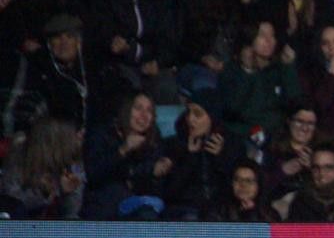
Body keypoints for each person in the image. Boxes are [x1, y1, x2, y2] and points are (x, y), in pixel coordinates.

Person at [81, 91, 170, 219]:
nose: (144, 115)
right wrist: (122, 150)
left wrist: (156, 173)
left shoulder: (154, 139)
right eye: (138, 108)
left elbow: (149, 187)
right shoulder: (102, 134)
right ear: (126, 110)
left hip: (139, 209)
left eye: (149, 110)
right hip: (104, 209)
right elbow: (93, 174)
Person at [218, 16, 300, 146]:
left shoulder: (278, 68)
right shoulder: (232, 71)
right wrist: (248, 71)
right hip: (242, 138)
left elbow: (294, 103)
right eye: (262, 36)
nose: (269, 41)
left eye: (272, 36)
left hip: (276, 138)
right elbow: (232, 109)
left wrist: (289, 67)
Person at [162, 86, 240, 219]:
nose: (190, 119)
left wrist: (221, 158)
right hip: (184, 210)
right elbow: (170, 191)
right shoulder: (175, 144)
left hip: (220, 210)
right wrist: (190, 157)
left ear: (212, 117)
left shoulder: (232, 144)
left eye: (197, 114)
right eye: (188, 112)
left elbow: (236, 187)